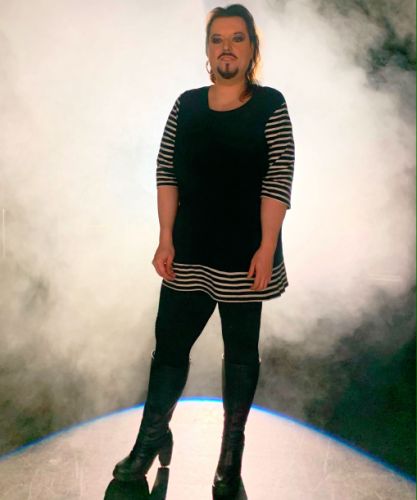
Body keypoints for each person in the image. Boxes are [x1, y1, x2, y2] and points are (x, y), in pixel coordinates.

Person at [113, 3, 295, 497]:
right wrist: (165, 236)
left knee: (240, 356)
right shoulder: (187, 105)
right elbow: (166, 171)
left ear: (251, 48)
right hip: (189, 250)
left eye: (237, 38)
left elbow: (278, 178)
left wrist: (267, 247)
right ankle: (151, 440)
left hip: (245, 254)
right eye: (218, 39)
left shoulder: (270, 105)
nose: (226, 48)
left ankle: (229, 459)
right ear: (208, 50)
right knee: (169, 350)